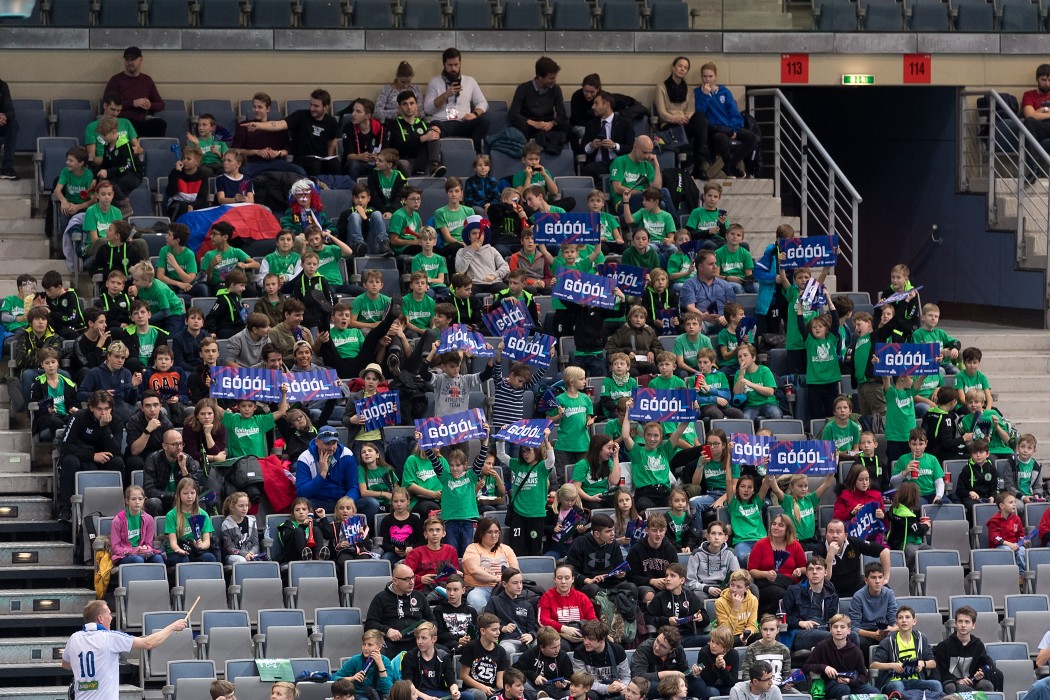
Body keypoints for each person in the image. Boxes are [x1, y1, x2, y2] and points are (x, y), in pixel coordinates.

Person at [64, 600, 187, 700]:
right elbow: (149, 643)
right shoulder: (110, 637)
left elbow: (65, 664)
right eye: (109, 614)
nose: (111, 618)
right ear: (100, 618)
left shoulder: (74, 638)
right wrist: (172, 627)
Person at [56, 390, 124, 522]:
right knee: (69, 461)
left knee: (118, 462)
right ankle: (65, 509)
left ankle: (114, 508)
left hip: (103, 457)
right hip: (80, 455)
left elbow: (116, 450)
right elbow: (66, 446)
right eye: (99, 409)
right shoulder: (79, 417)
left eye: (107, 409)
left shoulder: (116, 420)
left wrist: (104, 428)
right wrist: (92, 455)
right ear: (91, 407)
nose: (104, 413)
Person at [247, 89, 340, 176]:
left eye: (316, 106)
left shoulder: (331, 121)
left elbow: (332, 141)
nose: (312, 108)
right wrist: (258, 125)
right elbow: (280, 124)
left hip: (321, 158)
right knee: (315, 165)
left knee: (335, 164)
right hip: (303, 159)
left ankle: (332, 189)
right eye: (311, 104)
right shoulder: (300, 116)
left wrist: (329, 157)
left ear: (326, 107)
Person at [695, 63, 758, 179]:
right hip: (714, 129)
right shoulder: (698, 93)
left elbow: (734, 112)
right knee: (721, 139)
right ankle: (729, 167)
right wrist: (705, 96)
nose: (707, 79)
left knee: (752, 138)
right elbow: (700, 113)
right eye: (705, 76)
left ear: (715, 77)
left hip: (729, 126)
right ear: (701, 77)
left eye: (710, 76)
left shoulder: (724, 92)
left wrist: (733, 129)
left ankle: (731, 164)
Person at [654, 57, 710, 179]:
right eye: (680, 66)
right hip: (670, 126)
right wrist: (676, 119)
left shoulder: (689, 90)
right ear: (673, 67)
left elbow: (691, 109)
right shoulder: (661, 87)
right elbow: (662, 112)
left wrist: (686, 118)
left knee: (700, 117)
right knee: (696, 131)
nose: (682, 69)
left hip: (684, 124)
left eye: (685, 68)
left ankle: (699, 163)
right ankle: (697, 165)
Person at [425, 48, 490, 152]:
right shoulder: (434, 82)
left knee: (485, 121)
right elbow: (428, 109)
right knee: (434, 125)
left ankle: (476, 156)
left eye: (456, 65)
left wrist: (475, 114)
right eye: (450, 65)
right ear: (444, 64)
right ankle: (436, 162)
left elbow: (483, 103)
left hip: (463, 122)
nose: (453, 68)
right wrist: (446, 95)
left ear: (460, 63)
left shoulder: (470, 81)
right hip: (442, 122)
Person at [801, 614, 879, 700]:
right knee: (843, 689)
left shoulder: (855, 651)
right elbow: (806, 666)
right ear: (830, 629)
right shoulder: (822, 646)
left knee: (875, 693)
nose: (838, 630)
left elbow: (864, 676)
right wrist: (824, 667)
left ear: (849, 630)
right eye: (835, 627)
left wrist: (850, 681)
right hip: (831, 683)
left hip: (851, 683)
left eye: (842, 627)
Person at [366, 563, 436, 657]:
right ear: (395, 581)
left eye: (412, 578)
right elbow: (370, 623)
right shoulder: (381, 598)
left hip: (416, 641)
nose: (412, 582)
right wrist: (387, 630)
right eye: (407, 579)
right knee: (378, 653)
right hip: (391, 644)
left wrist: (426, 631)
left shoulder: (419, 596)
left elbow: (433, 621)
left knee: (443, 651)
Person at [869, 606, 941, 695]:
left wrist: (922, 663)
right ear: (897, 623)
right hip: (894, 681)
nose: (904, 620)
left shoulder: (921, 638)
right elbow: (873, 665)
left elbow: (932, 663)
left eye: (907, 617)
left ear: (914, 621)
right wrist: (892, 665)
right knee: (898, 686)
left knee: (936, 685)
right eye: (900, 618)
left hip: (916, 681)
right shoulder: (888, 640)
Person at [746, 513, 807, 616]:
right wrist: (766, 574)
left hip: (789, 583)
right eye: (774, 524)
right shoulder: (760, 544)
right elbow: (751, 571)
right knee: (779, 592)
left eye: (781, 525)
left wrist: (799, 570)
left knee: (787, 590)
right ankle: (770, 620)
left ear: (788, 529)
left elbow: (805, 568)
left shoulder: (795, 545)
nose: (776, 527)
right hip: (766, 584)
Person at [232, 92, 304, 178]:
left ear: (268, 109)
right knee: (243, 172)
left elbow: (288, 149)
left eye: (260, 107)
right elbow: (236, 150)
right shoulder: (245, 126)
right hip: (254, 163)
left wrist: (277, 153)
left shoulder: (277, 126)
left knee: (300, 171)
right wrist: (257, 152)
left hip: (276, 162)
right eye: (254, 107)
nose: (256, 110)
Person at [295, 426, 362, 514]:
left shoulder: (347, 454)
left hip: (342, 501)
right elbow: (302, 493)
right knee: (303, 507)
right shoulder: (305, 458)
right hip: (317, 502)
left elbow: (353, 486)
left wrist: (347, 501)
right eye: (327, 443)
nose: (331, 448)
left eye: (334, 443)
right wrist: (322, 474)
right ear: (316, 442)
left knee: (371, 503)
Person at [509, 56, 569, 153]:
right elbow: (513, 114)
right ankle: (537, 143)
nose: (554, 81)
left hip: (547, 124)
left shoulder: (556, 89)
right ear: (540, 77)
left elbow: (562, 115)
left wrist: (552, 123)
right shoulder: (523, 88)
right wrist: (534, 123)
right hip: (530, 123)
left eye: (555, 78)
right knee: (519, 127)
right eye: (551, 78)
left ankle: (541, 142)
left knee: (566, 126)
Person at [102, 47, 166, 137]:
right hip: (121, 121)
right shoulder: (116, 80)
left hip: (140, 122)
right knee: (128, 125)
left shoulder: (147, 80)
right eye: (127, 60)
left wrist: (149, 105)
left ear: (140, 60)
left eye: (133, 59)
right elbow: (107, 104)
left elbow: (160, 104)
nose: (129, 63)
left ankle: (147, 148)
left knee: (160, 124)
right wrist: (133, 103)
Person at [142, 428, 204, 518]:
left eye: (181, 444)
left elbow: (195, 489)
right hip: (162, 500)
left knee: (199, 501)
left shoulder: (188, 460)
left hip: (181, 501)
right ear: (164, 446)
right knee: (153, 503)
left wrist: (183, 468)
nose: (179, 447)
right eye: (175, 444)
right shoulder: (153, 460)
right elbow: (149, 490)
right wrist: (175, 496)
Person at [933, 605, 995, 694]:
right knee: (950, 687)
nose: (963, 625)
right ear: (955, 623)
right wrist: (957, 680)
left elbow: (983, 665)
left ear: (973, 625)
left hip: (972, 681)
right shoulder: (944, 645)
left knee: (986, 685)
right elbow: (942, 671)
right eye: (960, 621)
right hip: (952, 682)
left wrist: (980, 674)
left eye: (967, 622)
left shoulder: (978, 645)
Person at [782, 555, 839, 652]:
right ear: (807, 574)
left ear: (825, 572)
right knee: (833, 637)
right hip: (800, 633)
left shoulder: (832, 595)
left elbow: (832, 620)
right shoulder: (794, 591)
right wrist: (800, 623)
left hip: (823, 630)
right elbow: (781, 618)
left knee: (853, 635)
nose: (815, 572)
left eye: (818, 569)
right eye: (811, 569)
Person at [463, 517, 519, 612]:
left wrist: (504, 580)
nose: (493, 535)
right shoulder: (473, 548)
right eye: (489, 532)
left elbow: (516, 572)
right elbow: (474, 570)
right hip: (480, 588)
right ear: (481, 533)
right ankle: (484, 625)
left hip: (504, 588)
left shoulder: (506, 549)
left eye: (496, 532)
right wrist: (498, 579)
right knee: (475, 599)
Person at [631, 626, 703, 700]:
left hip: (675, 683)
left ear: (671, 650)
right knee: (656, 687)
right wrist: (670, 673)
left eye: (663, 647)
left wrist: (692, 672)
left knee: (698, 684)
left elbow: (684, 671)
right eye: (657, 641)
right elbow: (637, 676)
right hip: (653, 683)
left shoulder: (678, 649)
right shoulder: (644, 649)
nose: (657, 647)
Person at [579, 91, 634, 183]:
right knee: (588, 169)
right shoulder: (591, 124)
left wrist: (615, 146)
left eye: (596, 103)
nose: (593, 107)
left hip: (617, 162)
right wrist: (591, 146)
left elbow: (631, 147)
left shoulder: (625, 123)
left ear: (606, 104)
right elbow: (581, 149)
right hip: (597, 165)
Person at [538, 564, 597, 648]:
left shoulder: (582, 597)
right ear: (554, 579)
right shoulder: (547, 597)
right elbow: (543, 620)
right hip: (557, 635)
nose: (563, 582)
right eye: (559, 578)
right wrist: (564, 628)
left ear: (572, 579)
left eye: (567, 578)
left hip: (581, 634)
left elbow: (592, 619)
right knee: (563, 646)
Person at [848, 562, 899, 658]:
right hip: (866, 632)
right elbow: (854, 627)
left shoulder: (889, 594)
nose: (878, 581)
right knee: (860, 641)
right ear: (866, 580)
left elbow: (894, 620)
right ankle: (867, 669)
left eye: (880, 577)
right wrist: (873, 635)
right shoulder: (858, 597)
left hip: (884, 630)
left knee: (895, 638)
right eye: (873, 577)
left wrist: (891, 629)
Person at [570, 620, 630, 700]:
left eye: (590, 639)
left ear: (602, 640)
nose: (585, 642)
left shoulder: (617, 650)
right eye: (585, 638)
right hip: (593, 690)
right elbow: (582, 682)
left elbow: (626, 676)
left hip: (615, 688)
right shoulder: (579, 652)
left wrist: (623, 687)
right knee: (589, 695)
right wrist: (607, 689)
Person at [401, 622, 462, 700]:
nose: (419, 642)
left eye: (423, 638)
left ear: (434, 639)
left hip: (439, 692)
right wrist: (427, 698)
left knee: (468, 696)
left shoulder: (443, 656)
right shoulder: (410, 657)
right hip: (419, 694)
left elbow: (451, 680)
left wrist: (455, 691)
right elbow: (408, 685)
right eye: (417, 638)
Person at [679, 250, 736, 335]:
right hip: (703, 321)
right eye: (711, 264)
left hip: (723, 321)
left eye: (715, 263)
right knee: (695, 327)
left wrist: (726, 317)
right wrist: (703, 316)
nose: (715, 267)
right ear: (700, 266)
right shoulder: (689, 284)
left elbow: (733, 307)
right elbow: (690, 307)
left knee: (747, 326)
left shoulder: (725, 285)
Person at [331, 628, 396, 698]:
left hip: (380, 695)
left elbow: (388, 689)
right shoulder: (356, 660)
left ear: (379, 647)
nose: (365, 648)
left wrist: (381, 666)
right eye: (364, 644)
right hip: (360, 695)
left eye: (370, 645)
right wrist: (352, 678)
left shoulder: (385, 661)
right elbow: (334, 678)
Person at [460, 613, 511, 700]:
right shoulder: (471, 647)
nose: (498, 632)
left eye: (498, 629)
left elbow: (499, 682)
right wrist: (482, 687)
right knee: (481, 695)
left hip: (492, 689)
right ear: (483, 631)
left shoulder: (501, 651)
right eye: (494, 630)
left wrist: (507, 691)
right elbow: (463, 676)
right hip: (472, 689)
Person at [110, 485, 164, 565]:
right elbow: (115, 548)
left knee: (158, 558)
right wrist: (132, 551)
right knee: (138, 559)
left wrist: (146, 548)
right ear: (127, 501)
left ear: (144, 500)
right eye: (133, 499)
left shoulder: (149, 519)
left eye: (140, 499)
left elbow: (148, 544)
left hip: (142, 553)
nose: (137, 502)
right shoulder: (118, 520)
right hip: (124, 555)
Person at [1021, 63, 1050, 141]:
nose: (1047, 84)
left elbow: (1033, 114)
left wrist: (1040, 110)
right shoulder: (1029, 95)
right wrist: (1047, 110)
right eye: (1043, 80)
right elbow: (1029, 115)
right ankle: (1031, 154)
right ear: (1037, 79)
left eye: (1049, 80)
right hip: (1040, 127)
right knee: (1029, 121)